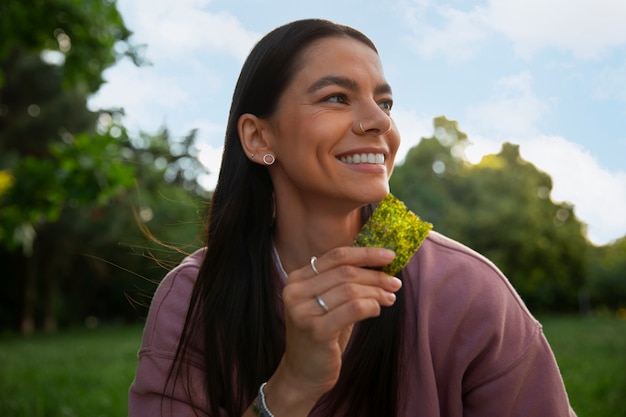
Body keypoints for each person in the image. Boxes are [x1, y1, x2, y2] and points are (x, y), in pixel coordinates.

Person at [128, 19, 577, 417]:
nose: (378, 122)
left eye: (384, 103)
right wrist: (293, 386)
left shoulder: (468, 291)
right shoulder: (191, 298)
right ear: (258, 135)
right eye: (337, 97)